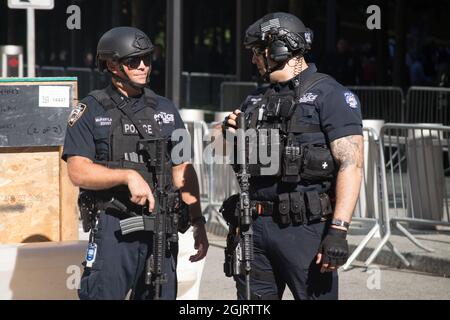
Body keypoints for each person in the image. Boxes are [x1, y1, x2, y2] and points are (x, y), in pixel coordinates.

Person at [220, 12, 363, 300]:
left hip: (304, 230)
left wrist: (338, 230)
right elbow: (243, 165)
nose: (253, 60)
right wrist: (229, 133)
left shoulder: (330, 94)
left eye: (257, 52)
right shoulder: (255, 100)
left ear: (278, 48)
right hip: (255, 229)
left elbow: (352, 163)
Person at [62, 26, 208, 300]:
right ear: (112, 65)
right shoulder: (89, 109)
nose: (143, 67)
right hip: (115, 228)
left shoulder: (166, 109)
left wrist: (198, 221)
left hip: (163, 229)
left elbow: (182, 169)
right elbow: (77, 170)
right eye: (133, 61)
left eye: (148, 59)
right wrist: (126, 176)